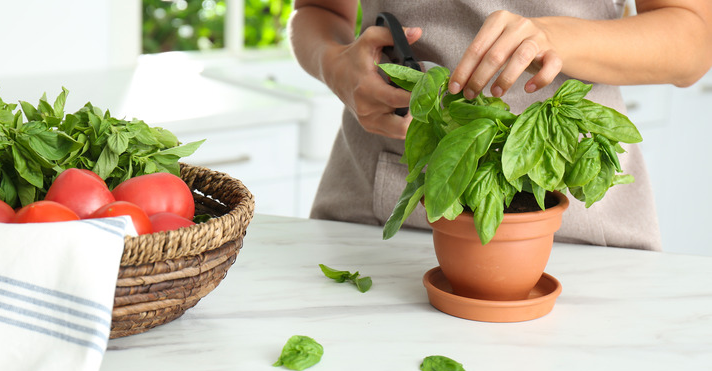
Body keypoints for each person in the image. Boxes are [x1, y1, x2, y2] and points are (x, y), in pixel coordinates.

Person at [287, 0, 712, 251]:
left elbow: (693, 38)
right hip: (382, 209)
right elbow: (317, 10)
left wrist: (556, 38)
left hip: (580, 220)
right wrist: (335, 65)